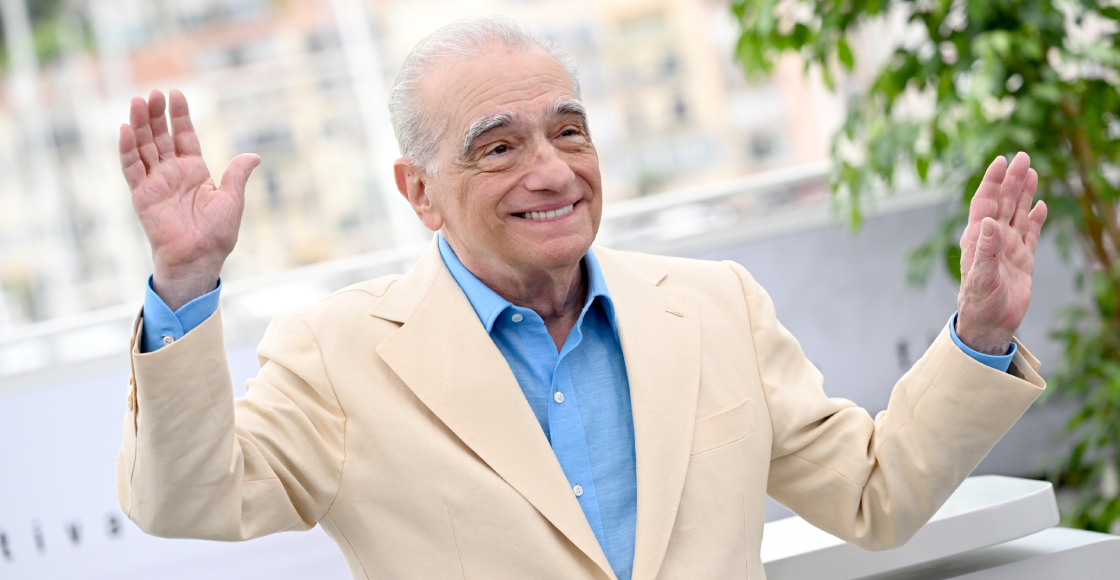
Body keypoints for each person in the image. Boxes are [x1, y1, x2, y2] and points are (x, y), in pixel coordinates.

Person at [115, 16, 1048, 580]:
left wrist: (978, 336)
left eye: (569, 131)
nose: (554, 171)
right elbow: (188, 500)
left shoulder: (716, 304)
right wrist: (185, 284)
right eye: (499, 147)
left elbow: (876, 495)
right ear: (420, 192)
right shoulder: (337, 353)